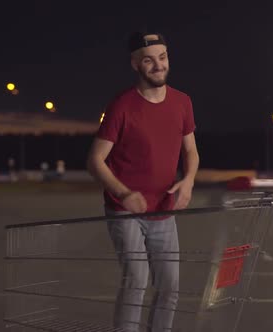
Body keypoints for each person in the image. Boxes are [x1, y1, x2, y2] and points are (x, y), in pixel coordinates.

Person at [86, 30, 200, 332]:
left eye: (162, 58)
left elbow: (191, 152)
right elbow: (95, 160)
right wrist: (123, 194)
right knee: (136, 280)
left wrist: (187, 181)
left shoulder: (182, 102)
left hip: (164, 208)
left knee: (169, 287)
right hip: (126, 211)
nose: (158, 65)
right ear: (135, 65)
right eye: (149, 61)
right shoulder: (122, 106)